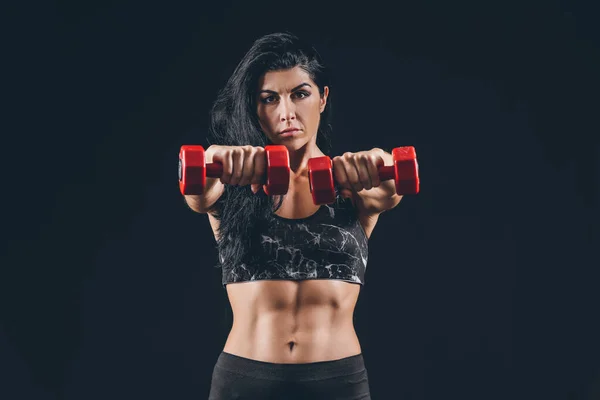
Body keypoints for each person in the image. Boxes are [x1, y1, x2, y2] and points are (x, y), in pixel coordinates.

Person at [184, 32, 403, 400]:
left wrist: (378, 161)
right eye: (269, 99)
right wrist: (214, 158)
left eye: (300, 94)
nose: (286, 113)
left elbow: (390, 184)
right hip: (245, 380)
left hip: (337, 383)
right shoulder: (233, 182)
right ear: (255, 108)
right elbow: (198, 189)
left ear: (323, 98)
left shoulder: (351, 184)